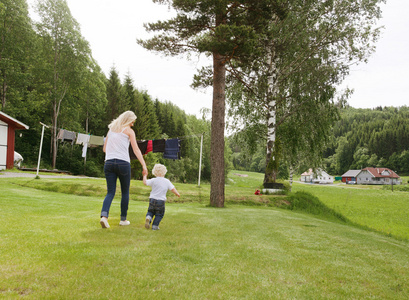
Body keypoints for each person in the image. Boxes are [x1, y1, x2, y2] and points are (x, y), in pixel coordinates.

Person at [100, 111, 148, 229]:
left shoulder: (111, 130)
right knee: (125, 192)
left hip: (109, 163)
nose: (132, 124)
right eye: (132, 122)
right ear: (128, 120)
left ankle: (104, 217)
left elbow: (105, 149)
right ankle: (123, 219)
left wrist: (114, 149)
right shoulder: (129, 131)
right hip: (123, 163)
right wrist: (144, 165)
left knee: (110, 192)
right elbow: (136, 150)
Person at [143, 164, 180, 230]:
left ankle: (148, 217)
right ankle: (155, 226)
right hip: (161, 201)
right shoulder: (166, 181)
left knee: (150, 211)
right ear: (164, 172)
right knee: (159, 214)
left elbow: (145, 182)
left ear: (154, 172)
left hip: (152, 199)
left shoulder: (153, 180)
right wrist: (177, 193)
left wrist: (145, 175)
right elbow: (172, 189)